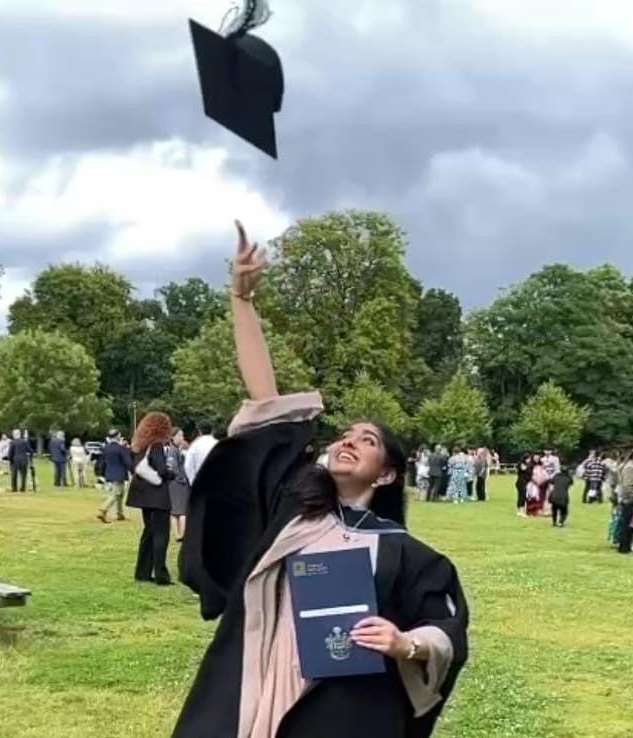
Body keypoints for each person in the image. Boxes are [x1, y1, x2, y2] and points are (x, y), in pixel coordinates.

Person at [173, 222, 469, 738]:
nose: (350, 440)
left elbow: (446, 631)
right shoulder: (292, 508)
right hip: (255, 681)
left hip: (336, 707)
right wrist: (241, 301)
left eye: (369, 440)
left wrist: (405, 644)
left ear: (390, 474)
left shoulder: (404, 552)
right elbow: (267, 404)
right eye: (347, 433)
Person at [126, 414, 175, 585]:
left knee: (149, 533)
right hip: (158, 495)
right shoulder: (156, 445)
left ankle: (142, 571)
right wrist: (171, 474)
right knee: (161, 534)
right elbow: (161, 469)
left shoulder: (140, 445)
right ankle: (161, 573)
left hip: (143, 494)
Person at [98, 429, 133, 523]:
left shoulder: (106, 448)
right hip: (120, 473)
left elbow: (102, 462)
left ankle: (120, 513)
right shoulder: (121, 448)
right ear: (117, 436)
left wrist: (101, 474)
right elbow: (128, 462)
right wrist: (133, 471)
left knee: (120, 493)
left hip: (109, 473)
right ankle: (103, 510)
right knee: (116, 494)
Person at [167, 427, 191, 542]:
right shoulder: (172, 451)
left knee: (176, 512)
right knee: (181, 511)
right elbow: (173, 468)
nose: (182, 438)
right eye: (180, 435)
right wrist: (182, 479)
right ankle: (181, 534)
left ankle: (178, 534)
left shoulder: (177, 450)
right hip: (177, 484)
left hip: (176, 483)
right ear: (173, 437)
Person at [184, 421, 218, 486]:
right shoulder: (218, 444)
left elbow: (188, 466)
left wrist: (193, 482)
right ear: (212, 431)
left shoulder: (194, 446)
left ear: (199, 431)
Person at [516, 452, 532, 516]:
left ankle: (523, 510)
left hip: (526, 482)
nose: (529, 460)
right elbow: (523, 469)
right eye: (528, 459)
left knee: (524, 496)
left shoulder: (529, 465)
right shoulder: (521, 464)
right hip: (521, 482)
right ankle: (520, 510)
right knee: (522, 496)